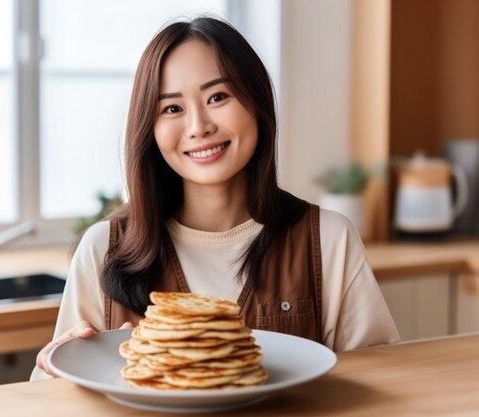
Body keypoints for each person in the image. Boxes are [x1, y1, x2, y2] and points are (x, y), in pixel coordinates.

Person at [31, 16, 399, 380]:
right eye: (172, 108)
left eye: (218, 96)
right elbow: (53, 393)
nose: (198, 127)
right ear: (150, 128)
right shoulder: (104, 247)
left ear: (257, 103)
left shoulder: (328, 239)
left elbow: (385, 378)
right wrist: (52, 372)